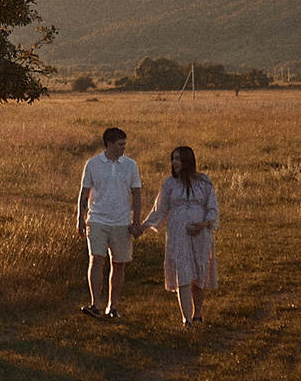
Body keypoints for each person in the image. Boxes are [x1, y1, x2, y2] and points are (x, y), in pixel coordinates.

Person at [143, 145, 220, 327]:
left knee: (199, 273)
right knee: (183, 271)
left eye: (178, 159)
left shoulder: (203, 182)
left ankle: (197, 314)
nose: (175, 162)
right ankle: (186, 319)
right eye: (173, 159)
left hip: (201, 234)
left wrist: (204, 224)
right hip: (178, 234)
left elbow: (212, 207)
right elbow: (159, 209)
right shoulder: (170, 183)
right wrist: (142, 226)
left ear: (187, 161)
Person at [75, 127, 142, 321]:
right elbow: (84, 193)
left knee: (118, 263)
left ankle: (112, 306)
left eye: (124, 144)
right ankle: (95, 304)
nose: (123, 148)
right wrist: (80, 218)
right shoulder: (93, 164)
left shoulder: (130, 165)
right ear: (109, 144)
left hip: (122, 221)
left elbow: (136, 193)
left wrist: (136, 221)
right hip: (97, 219)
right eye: (120, 144)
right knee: (96, 259)